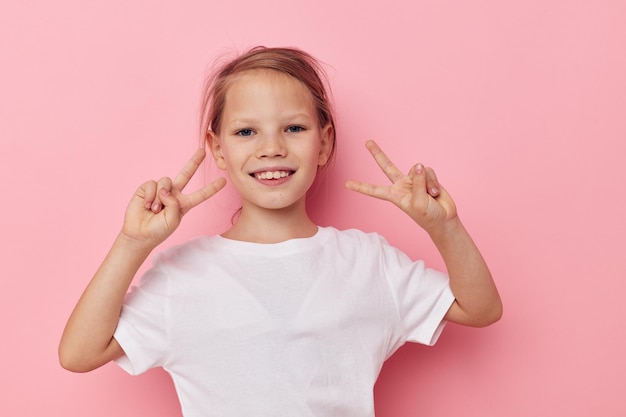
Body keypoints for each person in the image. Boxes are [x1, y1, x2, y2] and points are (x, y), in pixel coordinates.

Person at [59, 46, 502, 417]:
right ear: (218, 148)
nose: (272, 148)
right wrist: (132, 243)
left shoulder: (368, 261)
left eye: (293, 128)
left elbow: (479, 309)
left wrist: (446, 228)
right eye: (246, 131)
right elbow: (79, 354)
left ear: (324, 142)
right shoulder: (183, 274)